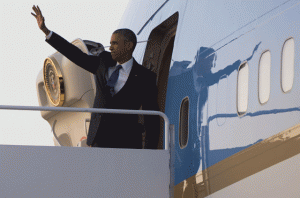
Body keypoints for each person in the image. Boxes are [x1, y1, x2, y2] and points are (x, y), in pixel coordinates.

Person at [31, 5, 160, 149]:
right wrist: (47, 32)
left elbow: (152, 120)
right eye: (110, 43)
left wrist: (150, 153)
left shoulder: (146, 77)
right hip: (99, 140)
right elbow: (75, 54)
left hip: (127, 143)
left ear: (129, 46)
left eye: (115, 43)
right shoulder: (102, 64)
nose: (110, 47)